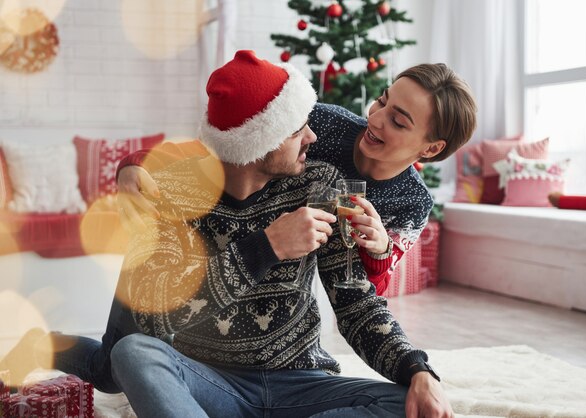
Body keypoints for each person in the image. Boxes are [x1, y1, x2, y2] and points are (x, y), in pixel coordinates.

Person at [1, 50, 453, 417]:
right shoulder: (172, 194)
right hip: (209, 379)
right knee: (128, 354)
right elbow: (159, 320)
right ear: (261, 142)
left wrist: (417, 370)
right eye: (299, 129)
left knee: (402, 403)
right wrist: (267, 247)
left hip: (299, 381)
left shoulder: (323, 185)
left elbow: (357, 301)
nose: (314, 136)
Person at [116, 62, 478, 295]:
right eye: (382, 101)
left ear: (430, 150)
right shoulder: (323, 122)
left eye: (398, 121)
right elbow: (226, 145)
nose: (377, 118)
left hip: (293, 286)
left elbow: (371, 290)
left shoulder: (411, 203)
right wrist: (138, 163)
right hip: (236, 242)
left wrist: (380, 248)